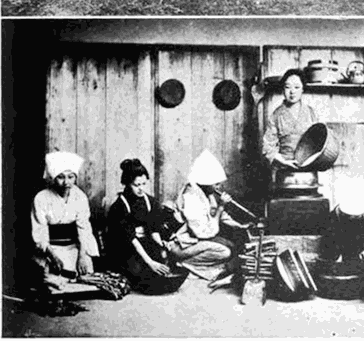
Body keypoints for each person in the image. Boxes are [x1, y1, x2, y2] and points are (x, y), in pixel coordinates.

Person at [167, 150, 251, 281]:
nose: (219, 187)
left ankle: (198, 266)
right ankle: (183, 265)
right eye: (216, 183)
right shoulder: (191, 196)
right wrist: (221, 206)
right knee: (224, 252)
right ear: (205, 181)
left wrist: (240, 226)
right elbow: (204, 233)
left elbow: (221, 216)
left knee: (231, 246)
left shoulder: (206, 193)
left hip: (193, 240)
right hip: (181, 245)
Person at [31, 151, 99, 291]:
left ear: (75, 177)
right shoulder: (41, 198)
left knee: (84, 274)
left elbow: (84, 228)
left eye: (70, 177)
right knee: (50, 274)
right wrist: (52, 255)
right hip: (51, 248)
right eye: (61, 177)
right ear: (53, 178)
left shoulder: (80, 197)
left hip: (74, 247)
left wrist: (82, 256)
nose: (66, 182)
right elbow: (40, 231)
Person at [106, 158, 172, 292]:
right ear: (127, 183)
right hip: (125, 246)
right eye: (137, 185)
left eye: (143, 184)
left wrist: (161, 244)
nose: (141, 189)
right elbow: (130, 238)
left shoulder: (150, 201)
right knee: (140, 271)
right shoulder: (119, 206)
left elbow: (153, 228)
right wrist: (150, 262)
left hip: (145, 241)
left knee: (162, 263)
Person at [262, 69, 317, 189]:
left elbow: (320, 141)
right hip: (283, 171)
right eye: (288, 87)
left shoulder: (311, 112)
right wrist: (283, 161)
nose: (292, 91)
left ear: (303, 89)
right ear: (283, 90)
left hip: (308, 170)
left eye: (297, 87)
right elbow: (267, 147)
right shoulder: (276, 115)